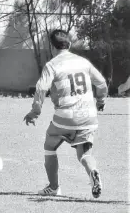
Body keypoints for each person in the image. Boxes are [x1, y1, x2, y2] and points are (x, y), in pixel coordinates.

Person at [23, 29, 107, 198]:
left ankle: (54, 187)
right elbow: (102, 83)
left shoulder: (52, 65)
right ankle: (93, 172)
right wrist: (100, 101)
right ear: (69, 44)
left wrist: (35, 111)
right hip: (89, 117)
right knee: (84, 155)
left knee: (49, 146)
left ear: (52, 47)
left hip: (66, 117)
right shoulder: (83, 62)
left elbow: (41, 89)